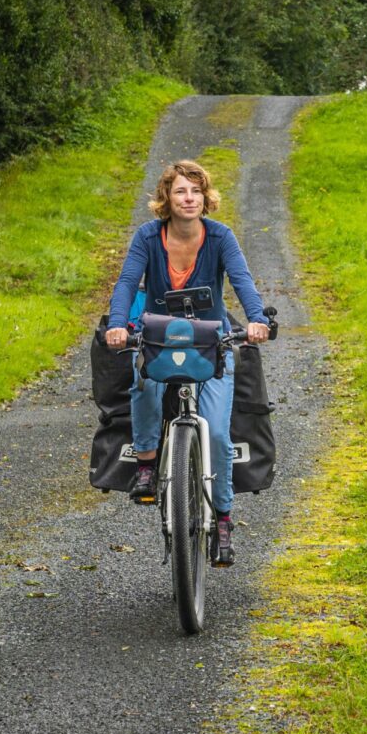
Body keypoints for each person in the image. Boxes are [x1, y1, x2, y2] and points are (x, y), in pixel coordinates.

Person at [104, 160, 269, 566]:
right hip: (160, 338)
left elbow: (242, 280)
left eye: (195, 191)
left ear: (206, 198)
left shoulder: (220, 237)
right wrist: (116, 325)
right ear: (167, 198)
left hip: (210, 342)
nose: (189, 198)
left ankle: (224, 519)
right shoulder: (148, 237)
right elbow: (127, 283)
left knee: (215, 435)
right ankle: (146, 463)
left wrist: (257, 320)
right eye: (180, 191)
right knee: (143, 382)